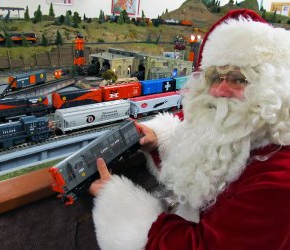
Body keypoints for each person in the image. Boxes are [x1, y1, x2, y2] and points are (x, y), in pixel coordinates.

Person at [89, 9, 290, 250]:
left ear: (273, 88)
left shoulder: (278, 182)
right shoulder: (251, 136)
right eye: (215, 77)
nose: (220, 90)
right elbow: (212, 161)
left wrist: (119, 205)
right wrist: (159, 141)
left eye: (239, 79)